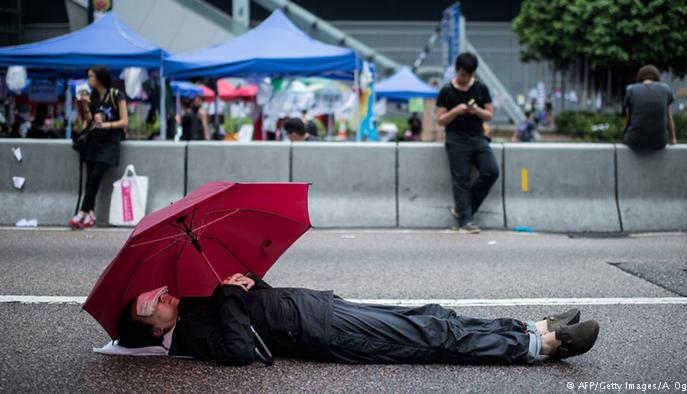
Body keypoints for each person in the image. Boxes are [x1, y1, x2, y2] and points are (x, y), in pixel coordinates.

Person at [117, 274, 600, 366]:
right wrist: (230, 295)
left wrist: (249, 285)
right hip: (322, 331)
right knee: (428, 336)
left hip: (322, 308)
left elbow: (250, 312)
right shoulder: (193, 338)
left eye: (156, 291)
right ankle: (543, 346)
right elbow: (244, 350)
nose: (161, 295)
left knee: (431, 315)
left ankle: (527, 328)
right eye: (152, 303)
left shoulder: (199, 306)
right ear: (157, 330)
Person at [436, 52, 499, 234]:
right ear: (457, 70)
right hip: (456, 139)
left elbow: (489, 115)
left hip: (478, 137)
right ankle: (466, 221)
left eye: (470, 75)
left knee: (491, 171)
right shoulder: (447, 91)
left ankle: (463, 209)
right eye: (463, 74)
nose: (466, 79)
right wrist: (456, 110)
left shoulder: (481, 88)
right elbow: (440, 120)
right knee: (461, 180)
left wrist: (476, 110)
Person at [68, 65, 128, 229]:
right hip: (93, 141)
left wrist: (105, 125)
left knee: (95, 177)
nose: (89, 80)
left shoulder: (116, 95)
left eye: (91, 77)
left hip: (110, 142)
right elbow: (87, 122)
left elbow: (124, 121)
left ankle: (82, 212)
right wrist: (85, 106)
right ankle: (90, 215)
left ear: (100, 77)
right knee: (90, 180)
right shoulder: (93, 96)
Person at [623, 64, 677, 150]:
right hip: (659, 142)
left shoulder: (631, 90)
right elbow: (669, 117)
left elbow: (629, 118)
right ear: (657, 76)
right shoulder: (665, 89)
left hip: (635, 141)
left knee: (627, 137)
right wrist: (673, 138)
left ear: (640, 76)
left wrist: (624, 134)